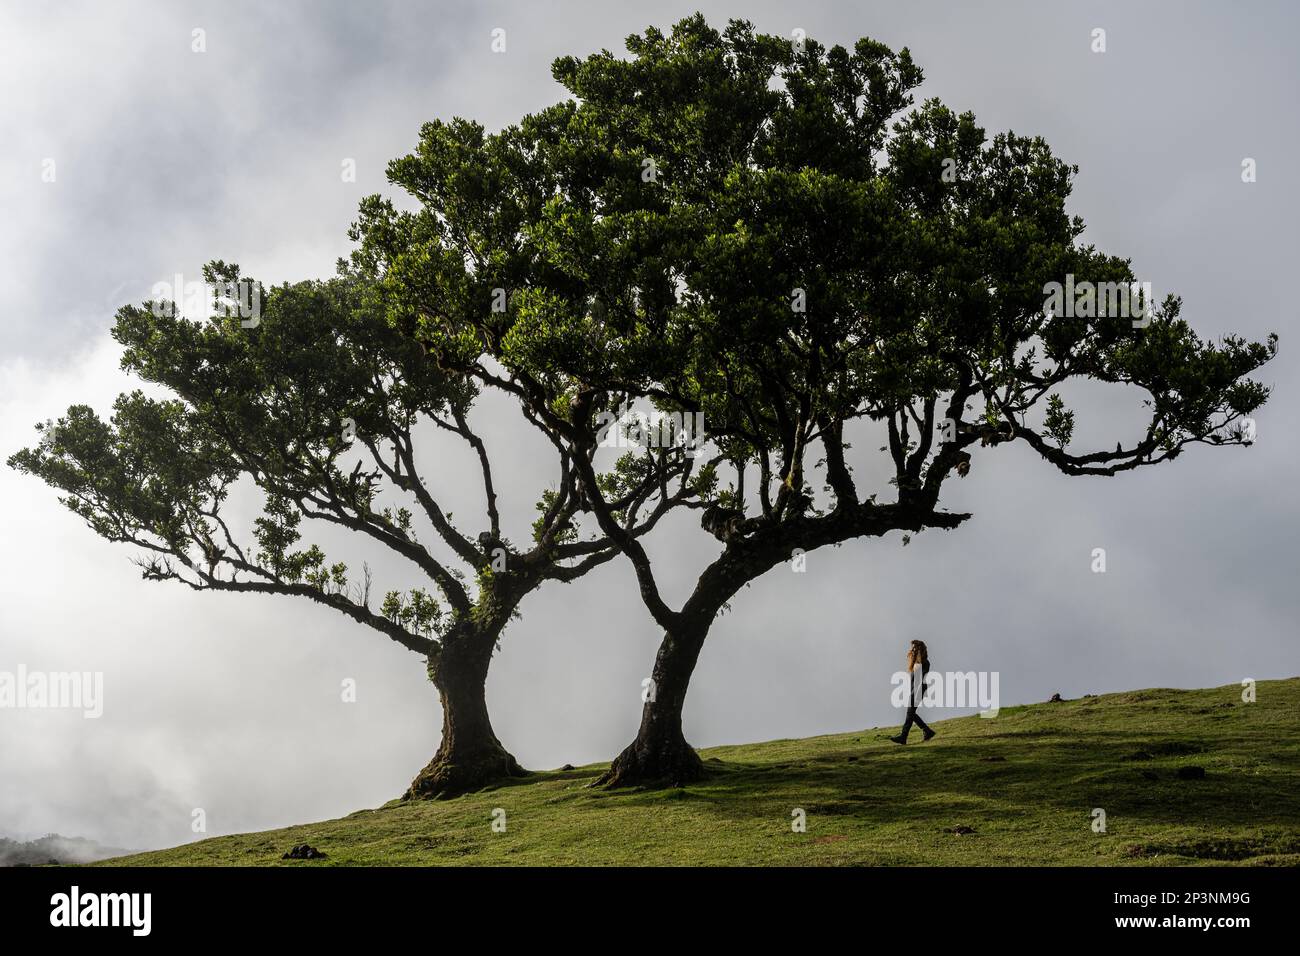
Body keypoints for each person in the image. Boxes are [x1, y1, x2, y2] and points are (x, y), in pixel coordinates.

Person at [889, 639, 935, 745]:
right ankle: (924, 732)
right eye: (912, 647)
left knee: (910, 712)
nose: (913, 649)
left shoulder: (925, 662)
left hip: (919, 688)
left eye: (915, 647)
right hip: (914, 689)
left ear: (920, 648)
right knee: (910, 713)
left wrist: (918, 657)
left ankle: (908, 736)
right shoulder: (915, 662)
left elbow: (919, 676)